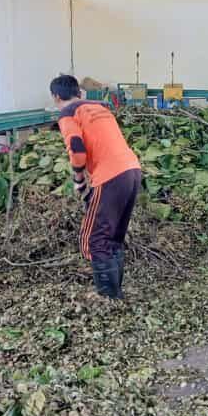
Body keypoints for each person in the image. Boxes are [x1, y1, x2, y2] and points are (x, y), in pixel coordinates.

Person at [51, 75, 141, 299]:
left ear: (55, 96)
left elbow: (77, 148)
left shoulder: (68, 113)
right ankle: (116, 294)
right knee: (113, 237)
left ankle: (108, 299)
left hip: (111, 176)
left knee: (95, 239)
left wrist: (79, 179)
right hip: (132, 170)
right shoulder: (101, 108)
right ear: (79, 93)